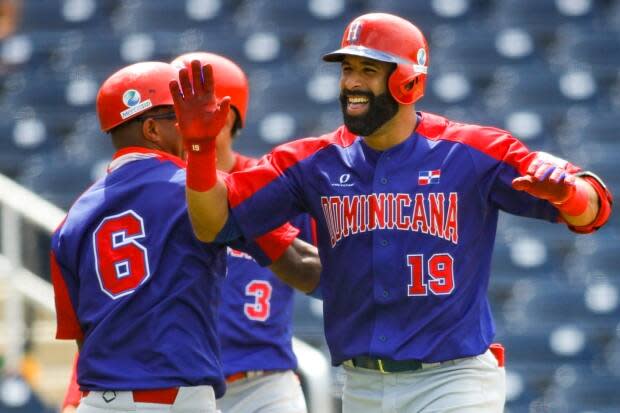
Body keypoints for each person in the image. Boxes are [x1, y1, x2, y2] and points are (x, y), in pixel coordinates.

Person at [170, 12, 613, 413]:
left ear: (407, 82)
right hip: (362, 385)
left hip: (454, 380)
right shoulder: (312, 162)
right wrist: (200, 148)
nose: (351, 83)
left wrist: (571, 195)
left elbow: (592, 210)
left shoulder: (472, 150)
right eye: (347, 69)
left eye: (368, 70)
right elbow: (213, 223)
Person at [51, 61, 319, 413]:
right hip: (180, 398)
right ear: (151, 129)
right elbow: (303, 265)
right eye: (179, 117)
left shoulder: (72, 220)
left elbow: (86, 336)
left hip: (103, 401)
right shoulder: (200, 191)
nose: (192, 124)